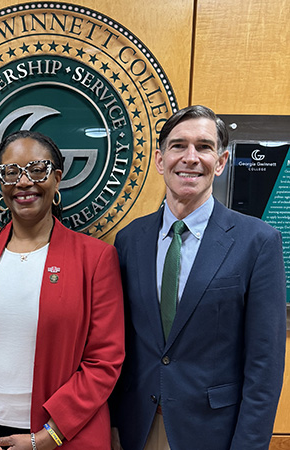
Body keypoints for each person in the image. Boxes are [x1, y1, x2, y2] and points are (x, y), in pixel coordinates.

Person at [110, 105, 287, 450]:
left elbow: (264, 366)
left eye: (203, 147)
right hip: (137, 429)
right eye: (178, 146)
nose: (190, 157)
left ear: (220, 162)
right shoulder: (130, 240)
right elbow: (122, 344)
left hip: (214, 434)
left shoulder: (257, 241)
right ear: (161, 161)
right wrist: (113, 425)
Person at [0, 130, 125, 450]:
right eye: (11, 173)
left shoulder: (94, 258)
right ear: (1, 183)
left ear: (57, 178)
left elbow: (104, 360)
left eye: (37, 169)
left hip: (66, 437)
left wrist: (47, 437)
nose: (24, 182)